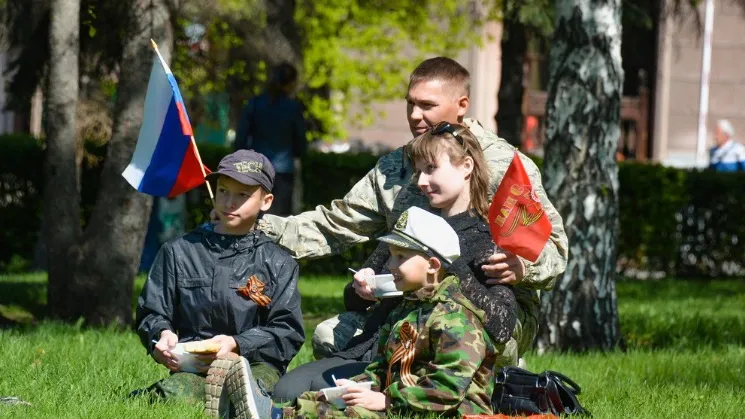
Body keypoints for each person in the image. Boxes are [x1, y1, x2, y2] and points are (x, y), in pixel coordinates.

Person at [258, 57, 568, 364]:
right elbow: (336, 223)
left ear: (462, 104)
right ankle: (387, 391)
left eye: (427, 105)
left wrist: (524, 267)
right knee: (330, 336)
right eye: (410, 104)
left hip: (489, 313)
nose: (415, 115)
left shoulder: (505, 165)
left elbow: (554, 249)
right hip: (409, 306)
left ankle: (491, 381)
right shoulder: (398, 166)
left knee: (450, 338)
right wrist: (254, 227)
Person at [272, 123, 518, 402]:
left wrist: (451, 263)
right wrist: (361, 287)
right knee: (285, 391)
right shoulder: (413, 224)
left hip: (423, 367)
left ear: (466, 166)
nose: (421, 181)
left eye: (431, 169)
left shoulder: (486, 241)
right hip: (372, 352)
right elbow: (352, 301)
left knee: (319, 393)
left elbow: (502, 325)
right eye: (418, 171)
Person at [235, 207, 500, 418]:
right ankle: (273, 412)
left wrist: (385, 399)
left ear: (432, 265)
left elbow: (447, 389)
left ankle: (274, 415)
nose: (390, 264)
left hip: (447, 411)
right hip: (406, 401)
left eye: (400, 257)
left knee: (349, 414)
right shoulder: (409, 307)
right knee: (329, 399)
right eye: (391, 255)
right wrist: (358, 386)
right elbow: (382, 366)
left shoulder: (456, 318)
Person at [132, 149, 305, 411]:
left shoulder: (279, 262)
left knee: (254, 393)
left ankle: (233, 402)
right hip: (194, 366)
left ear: (266, 201)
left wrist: (237, 344)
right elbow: (152, 312)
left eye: (242, 195)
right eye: (223, 191)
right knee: (171, 397)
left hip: (254, 365)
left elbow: (287, 331)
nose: (228, 202)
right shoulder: (179, 251)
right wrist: (161, 337)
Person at [234, 62, 308, 215]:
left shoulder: (255, 104)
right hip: (283, 169)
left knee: (255, 214)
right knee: (280, 217)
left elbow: (241, 137)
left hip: (257, 167)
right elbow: (300, 141)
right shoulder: (293, 107)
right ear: (291, 83)